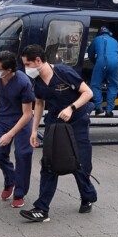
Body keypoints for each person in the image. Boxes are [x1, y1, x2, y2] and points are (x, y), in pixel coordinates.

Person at [19, 44, 97, 223]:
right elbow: (39, 104)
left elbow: (88, 92)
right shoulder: (36, 80)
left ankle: (88, 196)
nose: (26, 68)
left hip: (77, 122)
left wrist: (71, 108)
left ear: (38, 61)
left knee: (80, 163)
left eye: (27, 64)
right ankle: (41, 208)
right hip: (54, 124)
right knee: (49, 163)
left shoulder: (63, 72)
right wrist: (33, 130)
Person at [0, 50, 35, 209]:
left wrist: (10, 134)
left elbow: (28, 114)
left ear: (9, 70)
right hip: (3, 118)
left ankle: (19, 193)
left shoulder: (23, 83)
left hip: (21, 120)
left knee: (23, 154)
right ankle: (11, 180)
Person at [86, 27, 118, 117]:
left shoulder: (96, 39)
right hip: (115, 62)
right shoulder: (115, 41)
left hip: (101, 61)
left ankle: (98, 107)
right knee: (113, 85)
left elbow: (90, 53)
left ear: (99, 33)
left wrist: (95, 62)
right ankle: (109, 110)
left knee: (95, 84)